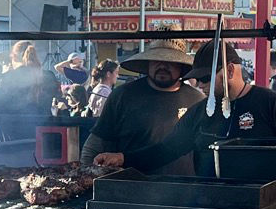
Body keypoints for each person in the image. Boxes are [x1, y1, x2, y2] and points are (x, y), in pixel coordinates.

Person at [120, 40, 276, 173]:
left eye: (205, 78)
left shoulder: (274, 105)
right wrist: (123, 159)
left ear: (230, 71)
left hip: (268, 207)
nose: (199, 84)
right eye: (197, 79)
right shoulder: (199, 113)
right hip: (211, 204)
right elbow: (166, 150)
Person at [83, 39, 207, 176]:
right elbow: (95, 144)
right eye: (156, 60)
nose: (163, 66)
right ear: (148, 63)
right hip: (129, 188)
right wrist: (87, 176)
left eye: (170, 62)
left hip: (183, 189)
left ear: (181, 66)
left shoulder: (197, 100)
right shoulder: (122, 96)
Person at [0, 40, 59, 115]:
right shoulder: (49, 76)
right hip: (42, 125)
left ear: (14, 58)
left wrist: (4, 75)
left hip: (12, 125)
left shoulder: (7, 78)